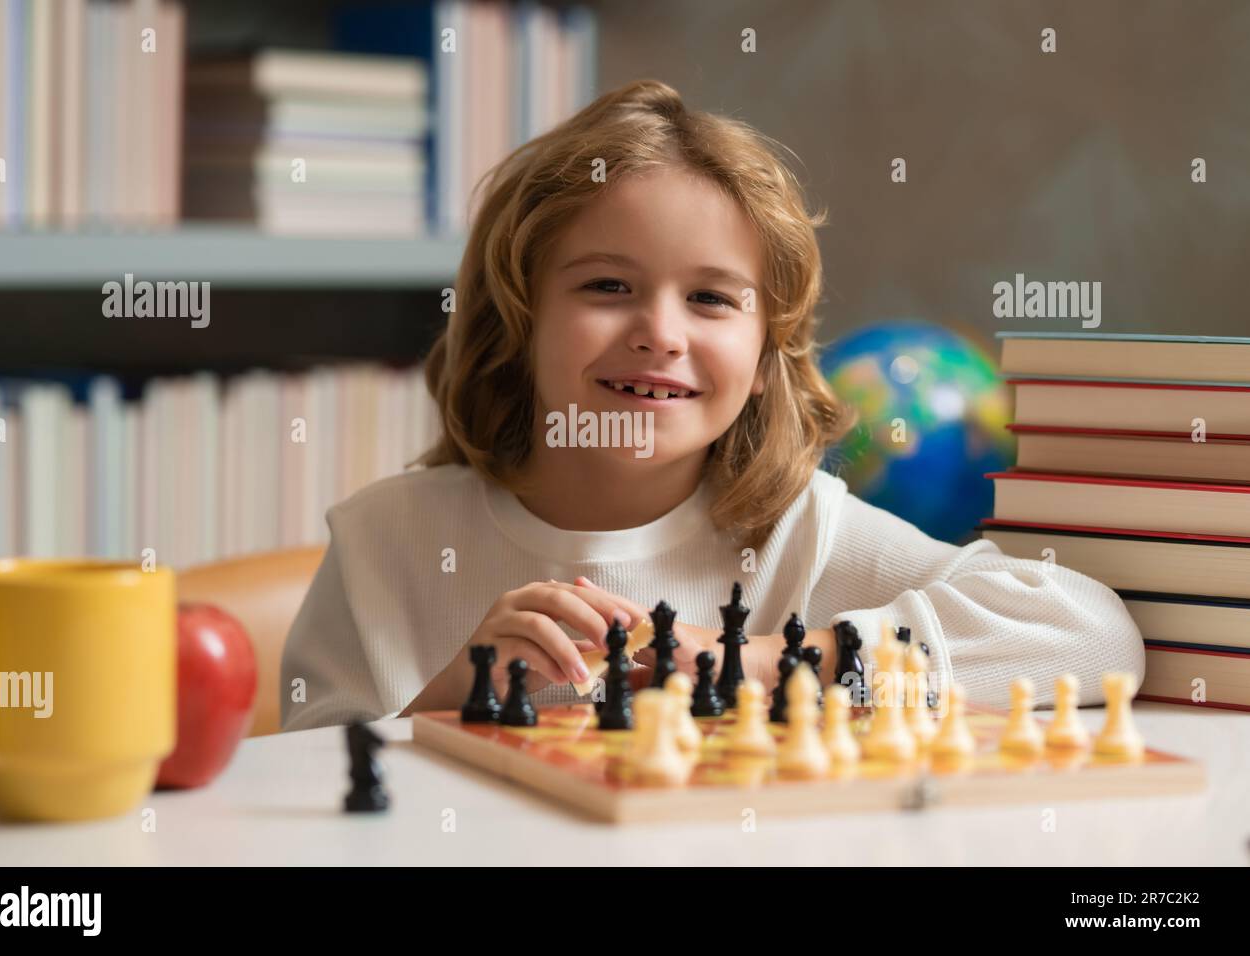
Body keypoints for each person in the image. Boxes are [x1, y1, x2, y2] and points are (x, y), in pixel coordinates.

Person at [279, 79, 1143, 732]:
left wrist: (776, 665)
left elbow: (1094, 634)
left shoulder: (808, 539)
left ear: (768, 357)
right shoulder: (383, 546)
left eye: (713, 299)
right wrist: (454, 698)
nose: (660, 333)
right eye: (608, 285)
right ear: (519, 318)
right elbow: (303, 805)